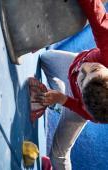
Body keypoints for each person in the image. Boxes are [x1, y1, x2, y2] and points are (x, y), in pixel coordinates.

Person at [33, 0, 108, 169]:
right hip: (71, 64)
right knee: (46, 58)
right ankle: (58, 89)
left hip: (76, 106)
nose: (84, 68)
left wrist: (64, 99)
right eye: (95, 68)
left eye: (83, 79)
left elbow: (84, 108)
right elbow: (98, 16)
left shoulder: (91, 111)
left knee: (58, 155)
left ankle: (60, 99)